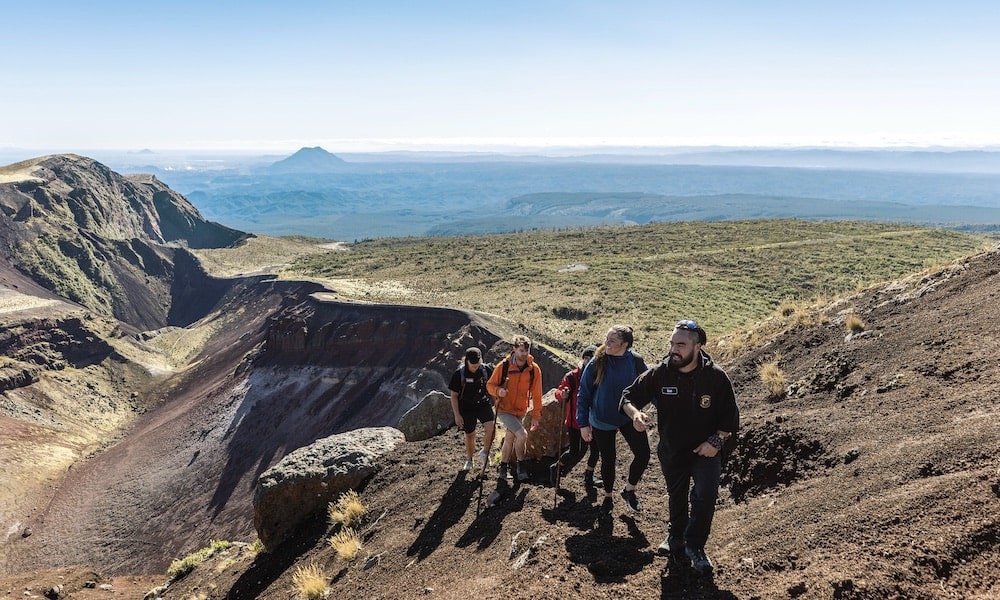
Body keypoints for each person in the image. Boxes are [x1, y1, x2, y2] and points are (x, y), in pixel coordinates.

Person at [620, 319, 740, 575]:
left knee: (705, 495)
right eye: (672, 343)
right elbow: (628, 397)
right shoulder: (660, 373)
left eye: (681, 345)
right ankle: (675, 537)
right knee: (677, 495)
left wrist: (715, 441)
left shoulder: (716, 377)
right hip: (672, 449)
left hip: (705, 450)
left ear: (698, 347)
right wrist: (635, 415)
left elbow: (730, 418)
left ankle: (695, 546)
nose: (674, 349)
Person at [577, 325, 649, 514]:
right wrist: (583, 424)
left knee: (643, 454)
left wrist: (667, 409)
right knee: (609, 459)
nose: (606, 343)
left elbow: (651, 387)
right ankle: (608, 496)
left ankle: (629, 490)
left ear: (625, 344)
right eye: (606, 339)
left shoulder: (636, 361)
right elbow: (583, 393)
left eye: (612, 341)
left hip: (629, 416)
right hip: (602, 419)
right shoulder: (597, 362)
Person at [486, 335, 543, 482]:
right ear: (514, 349)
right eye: (521, 350)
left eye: (527, 350)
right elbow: (490, 385)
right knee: (522, 435)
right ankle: (521, 466)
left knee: (510, 437)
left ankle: (503, 468)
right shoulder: (504, 366)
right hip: (504, 409)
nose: (524, 354)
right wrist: (499, 391)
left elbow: (537, 394)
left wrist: (536, 416)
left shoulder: (534, 370)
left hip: (520, 410)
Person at [550, 345, 601, 487]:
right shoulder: (572, 377)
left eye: (593, 359)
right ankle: (556, 467)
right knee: (575, 451)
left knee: (595, 450)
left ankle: (589, 476)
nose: (589, 362)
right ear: (583, 359)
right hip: (575, 421)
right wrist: (563, 394)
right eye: (587, 358)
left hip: (594, 421)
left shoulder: (600, 375)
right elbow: (559, 392)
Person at [448, 347, 496, 472]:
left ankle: (485, 452)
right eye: (472, 364)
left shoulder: (486, 370)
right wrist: (457, 415)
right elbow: (453, 396)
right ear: (466, 361)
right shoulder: (459, 374)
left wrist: (496, 401)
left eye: (477, 363)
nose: (475, 366)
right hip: (466, 406)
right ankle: (469, 460)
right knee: (470, 434)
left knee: (491, 428)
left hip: (483, 403)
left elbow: (492, 387)